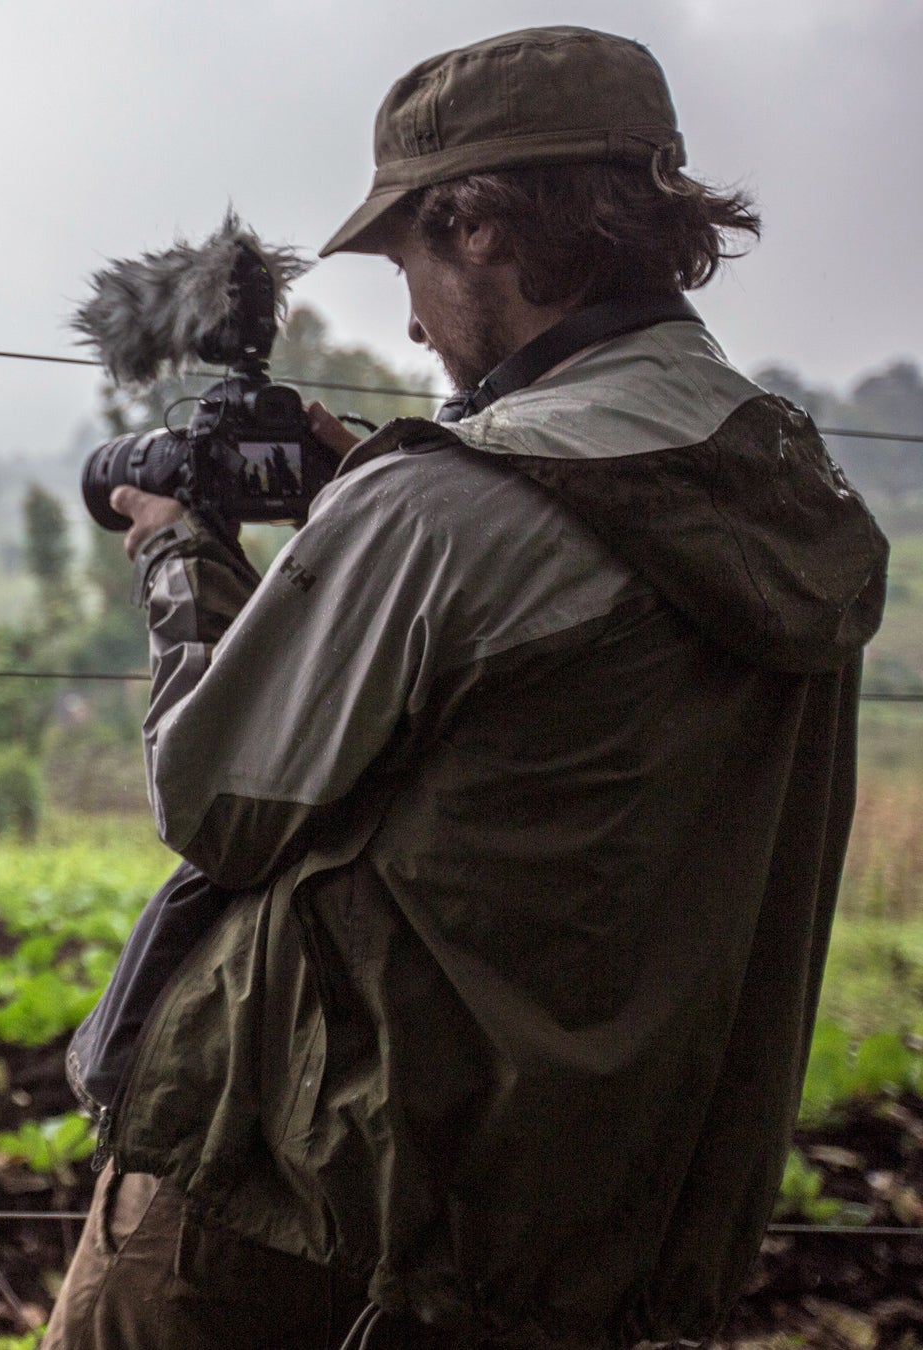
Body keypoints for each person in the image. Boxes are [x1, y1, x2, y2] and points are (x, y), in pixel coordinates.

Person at [49, 26, 886, 1350]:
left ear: (482, 226)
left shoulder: (441, 510)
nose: (408, 317)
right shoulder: (788, 490)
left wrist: (178, 549)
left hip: (313, 1206)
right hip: (578, 1225)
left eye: (412, 259)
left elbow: (212, 797)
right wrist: (366, 525)